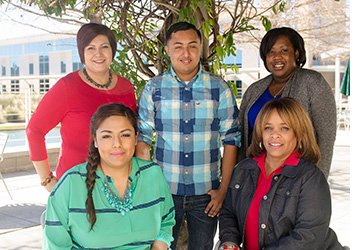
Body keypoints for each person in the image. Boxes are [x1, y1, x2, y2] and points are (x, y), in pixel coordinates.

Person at [136, 22, 241, 250]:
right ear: (167, 50)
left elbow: (231, 139)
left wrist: (223, 190)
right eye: (178, 46)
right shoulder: (153, 88)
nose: (186, 53)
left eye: (192, 46)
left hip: (207, 194)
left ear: (201, 47)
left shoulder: (219, 88)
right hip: (163, 191)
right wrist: (146, 190)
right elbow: (143, 139)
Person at [43, 103, 175, 250]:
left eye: (125, 135)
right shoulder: (71, 183)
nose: (117, 144)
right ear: (95, 140)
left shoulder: (153, 174)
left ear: (136, 137)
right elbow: (55, 245)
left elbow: (166, 221)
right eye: (106, 136)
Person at [219, 97, 344, 250]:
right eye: (268, 127)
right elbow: (228, 213)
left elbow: (308, 236)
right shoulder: (243, 169)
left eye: (284, 128)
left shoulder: (311, 178)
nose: (274, 134)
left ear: (298, 133)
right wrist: (230, 242)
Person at [26, 23, 137, 192]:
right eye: (91, 48)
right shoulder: (67, 87)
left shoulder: (125, 87)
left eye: (104, 47)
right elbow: (34, 130)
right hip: (76, 185)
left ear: (112, 51)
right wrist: (47, 180)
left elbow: (132, 133)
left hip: (120, 185)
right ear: (82, 53)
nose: (98, 54)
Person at [238, 27, 336, 178]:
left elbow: (326, 137)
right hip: (255, 176)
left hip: (296, 177)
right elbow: (243, 136)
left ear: (296, 52)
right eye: (271, 52)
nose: (277, 57)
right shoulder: (254, 90)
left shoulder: (313, 82)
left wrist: (318, 180)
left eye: (283, 50)